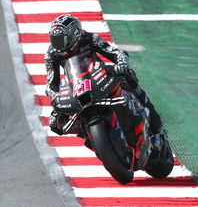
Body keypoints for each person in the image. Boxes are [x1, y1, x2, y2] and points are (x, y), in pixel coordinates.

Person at [45, 14, 164, 144]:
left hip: (99, 75)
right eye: (55, 40)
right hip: (76, 85)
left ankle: (157, 131)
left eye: (63, 40)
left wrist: (122, 65)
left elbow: (114, 52)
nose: (59, 45)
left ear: (76, 35)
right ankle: (91, 136)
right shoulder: (52, 54)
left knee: (129, 79)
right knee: (55, 123)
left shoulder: (90, 38)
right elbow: (51, 83)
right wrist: (56, 98)